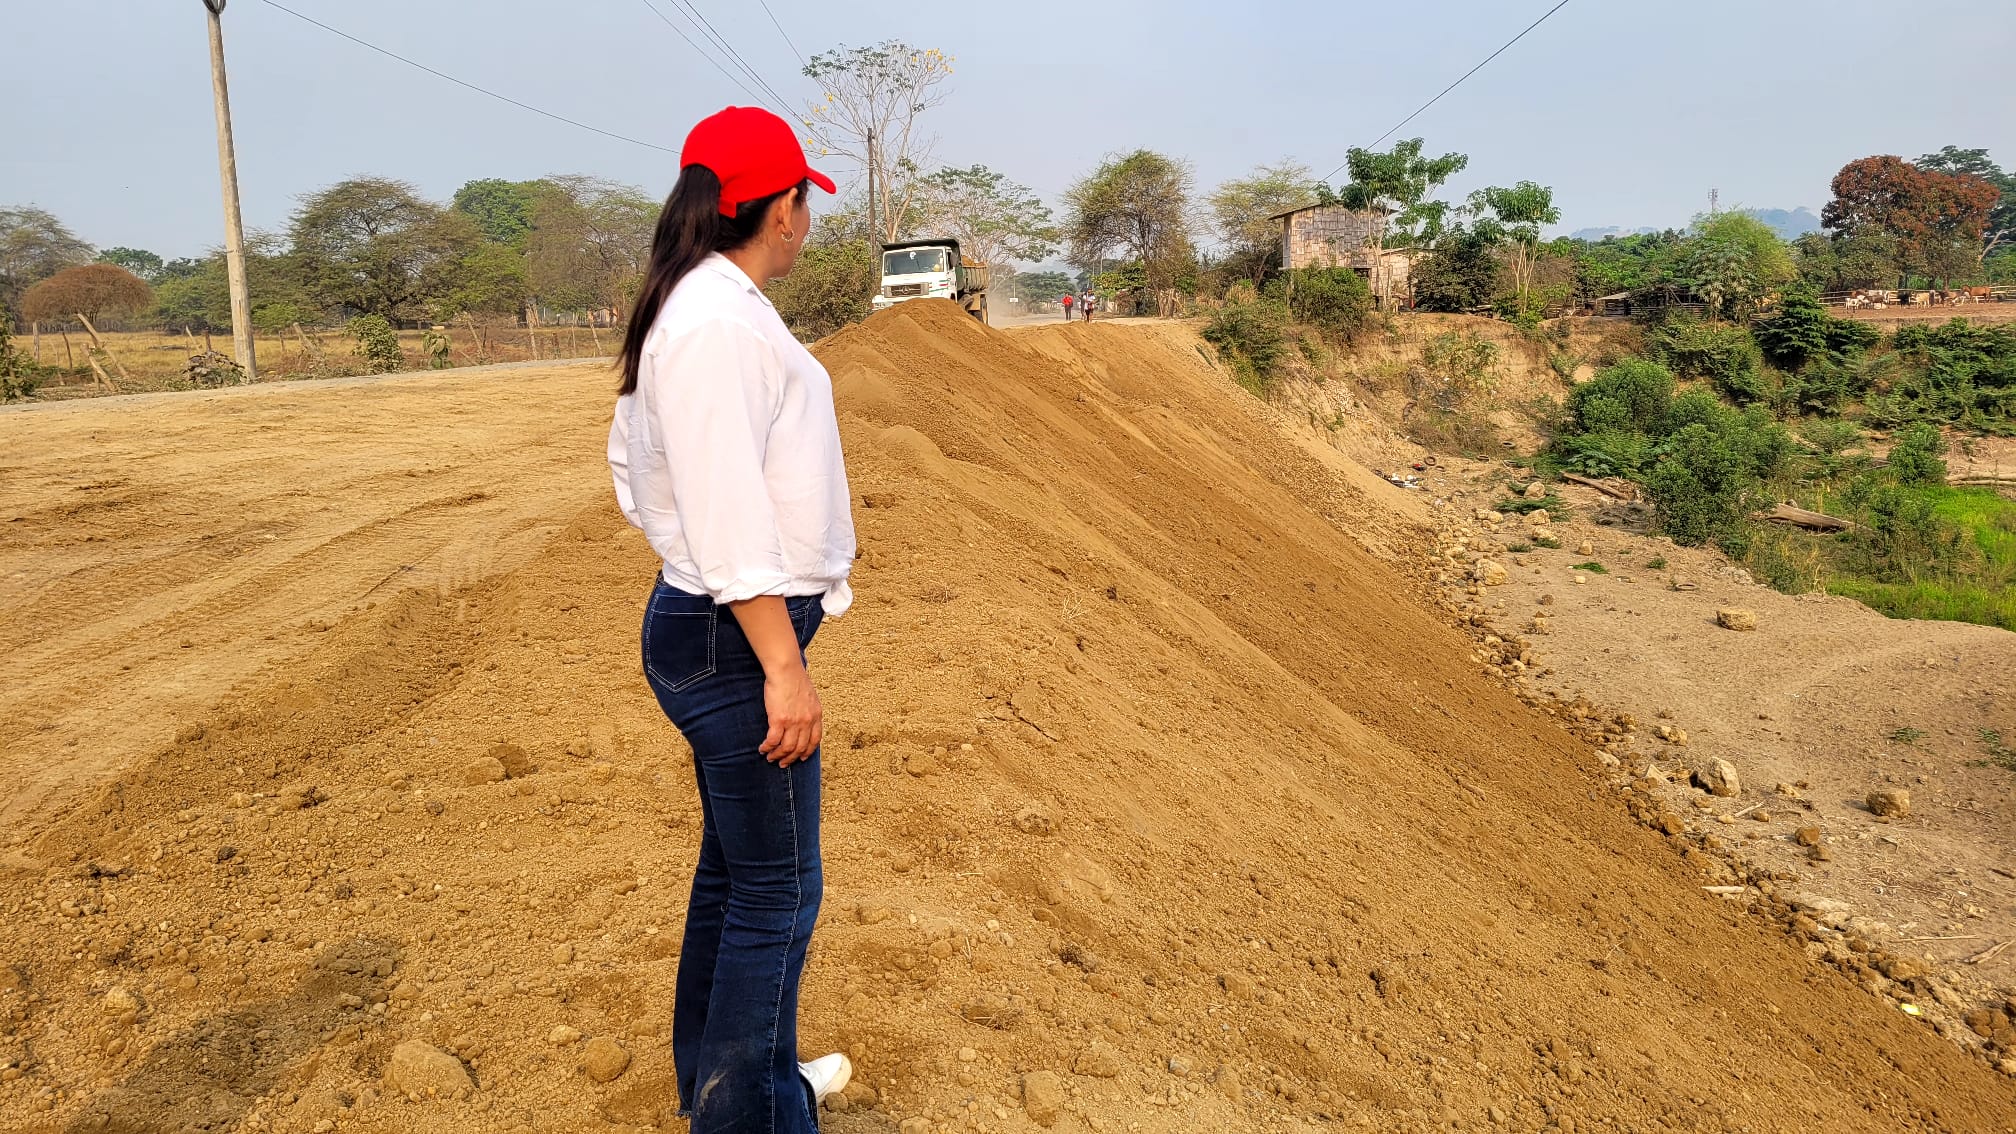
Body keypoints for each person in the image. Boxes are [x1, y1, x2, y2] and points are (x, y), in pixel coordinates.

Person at [608, 104, 854, 1134]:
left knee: (738, 878)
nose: (807, 222)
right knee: (778, 894)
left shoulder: (704, 303)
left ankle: (734, 1089)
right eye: (804, 201)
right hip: (734, 638)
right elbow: (725, 514)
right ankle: (752, 1115)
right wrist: (782, 670)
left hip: (716, 625)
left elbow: (640, 478)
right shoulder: (715, 322)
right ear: (779, 207)